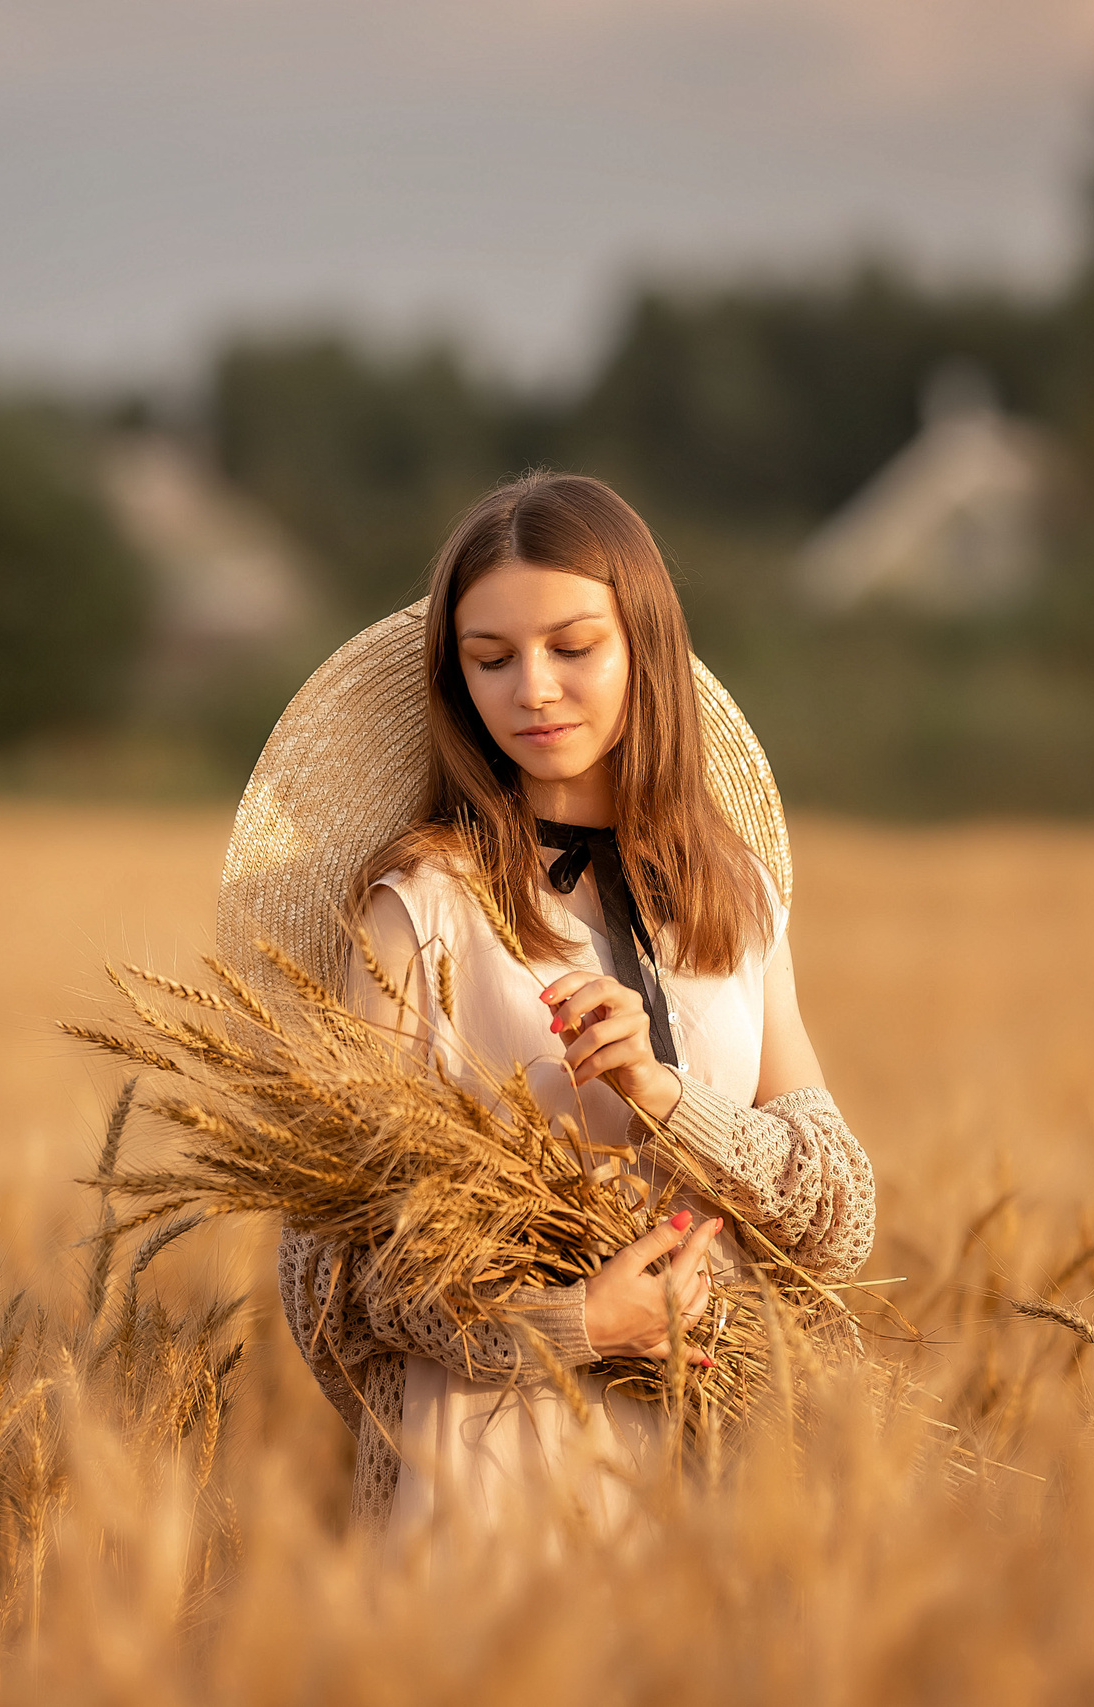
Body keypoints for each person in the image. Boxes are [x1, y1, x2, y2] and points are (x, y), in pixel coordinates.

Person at [216, 471, 875, 1536]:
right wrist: (574, 1323)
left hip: (720, 1489)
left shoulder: (737, 898)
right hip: (490, 1480)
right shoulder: (418, 910)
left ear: (643, 651)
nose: (533, 689)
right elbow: (332, 1280)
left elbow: (837, 1221)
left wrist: (663, 1097)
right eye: (492, 659)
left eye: (573, 648)